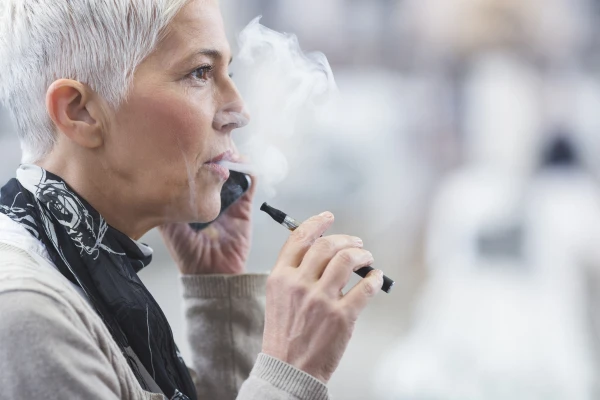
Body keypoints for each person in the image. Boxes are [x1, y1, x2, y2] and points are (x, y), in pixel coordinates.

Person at [0, 1, 384, 399]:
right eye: (200, 72)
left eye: (228, 72)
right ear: (79, 111)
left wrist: (218, 304)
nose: (238, 111)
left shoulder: (73, 267)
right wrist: (291, 370)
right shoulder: (27, 316)